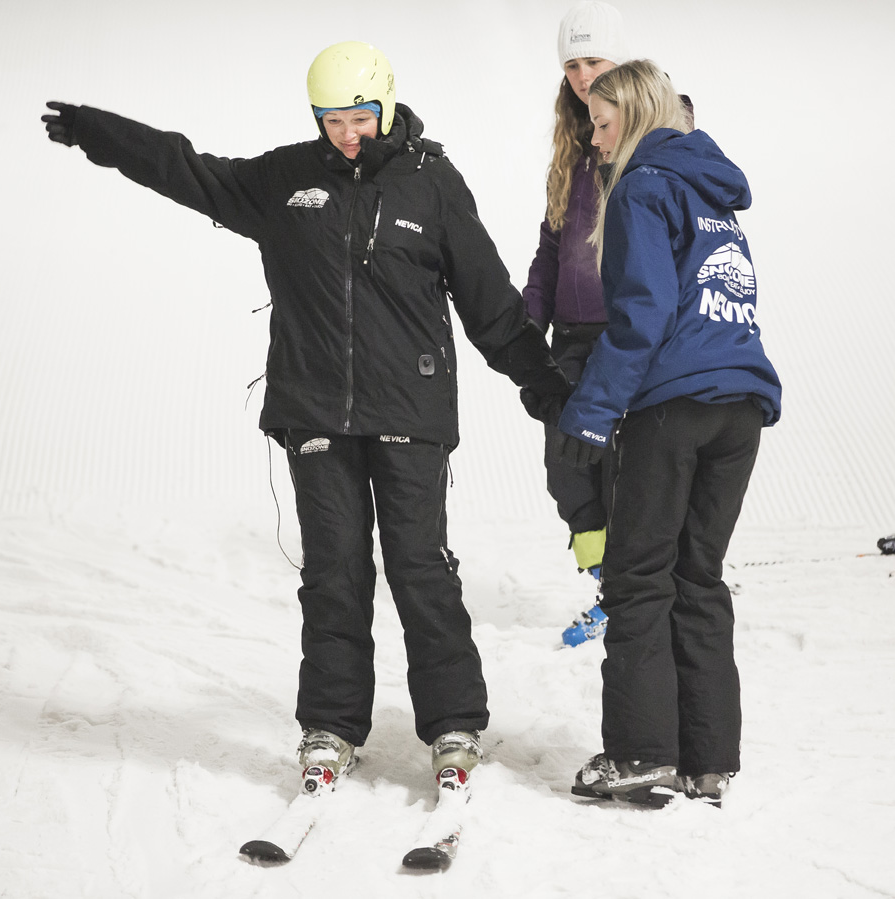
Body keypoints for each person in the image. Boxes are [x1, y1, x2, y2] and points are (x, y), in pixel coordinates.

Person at [41, 42, 569, 795]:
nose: (347, 134)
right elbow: (189, 170)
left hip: (412, 413)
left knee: (420, 567)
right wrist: (103, 132)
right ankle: (331, 725)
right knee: (333, 571)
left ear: (386, 107)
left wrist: (542, 384)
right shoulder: (286, 180)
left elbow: (489, 301)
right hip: (315, 411)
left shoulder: (432, 184)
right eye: (332, 121)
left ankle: (453, 723)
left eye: (359, 117)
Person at [552, 59, 782, 808]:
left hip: (675, 405)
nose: (596, 136)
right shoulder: (714, 194)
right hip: (739, 406)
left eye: (605, 119)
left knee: (637, 574)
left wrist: (589, 411)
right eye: (590, 123)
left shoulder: (643, 188)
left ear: (640, 114)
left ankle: (641, 752)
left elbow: (643, 313)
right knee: (698, 576)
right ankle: (706, 759)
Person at [521, 1, 627, 648]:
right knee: (567, 461)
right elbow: (550, 245)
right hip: (571, 336)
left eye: (593, 61)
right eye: (572, 64)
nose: (583, 75)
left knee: (617, 463)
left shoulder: (645, 133)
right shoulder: (573, 140)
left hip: (626, 333)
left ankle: (636, 591)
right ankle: (608, 581)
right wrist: (525, 323)